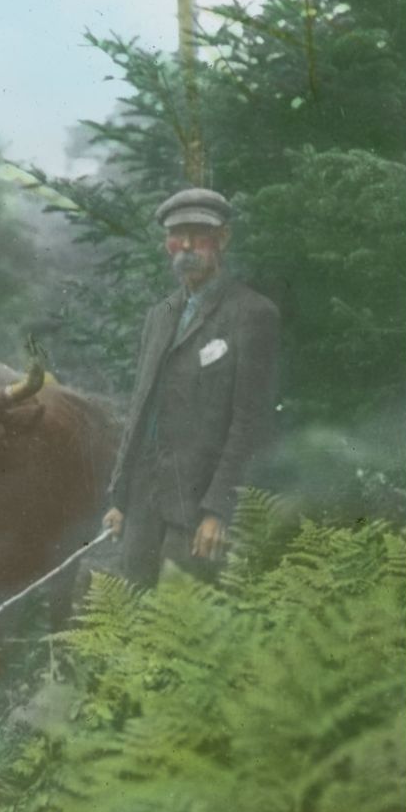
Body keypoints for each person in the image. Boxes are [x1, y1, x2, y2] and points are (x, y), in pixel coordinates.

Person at [102, 187, 280, 587]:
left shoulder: (252, 314)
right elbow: (141, 410)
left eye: (198, 234)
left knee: (188, 624)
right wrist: (119, 497)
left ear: (222, 239)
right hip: (144, 502)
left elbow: (250, 424)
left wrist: (219, 509)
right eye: (176, 235)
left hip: (199, 506)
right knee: (132, 616)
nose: (186, 245)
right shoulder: (159, 315)